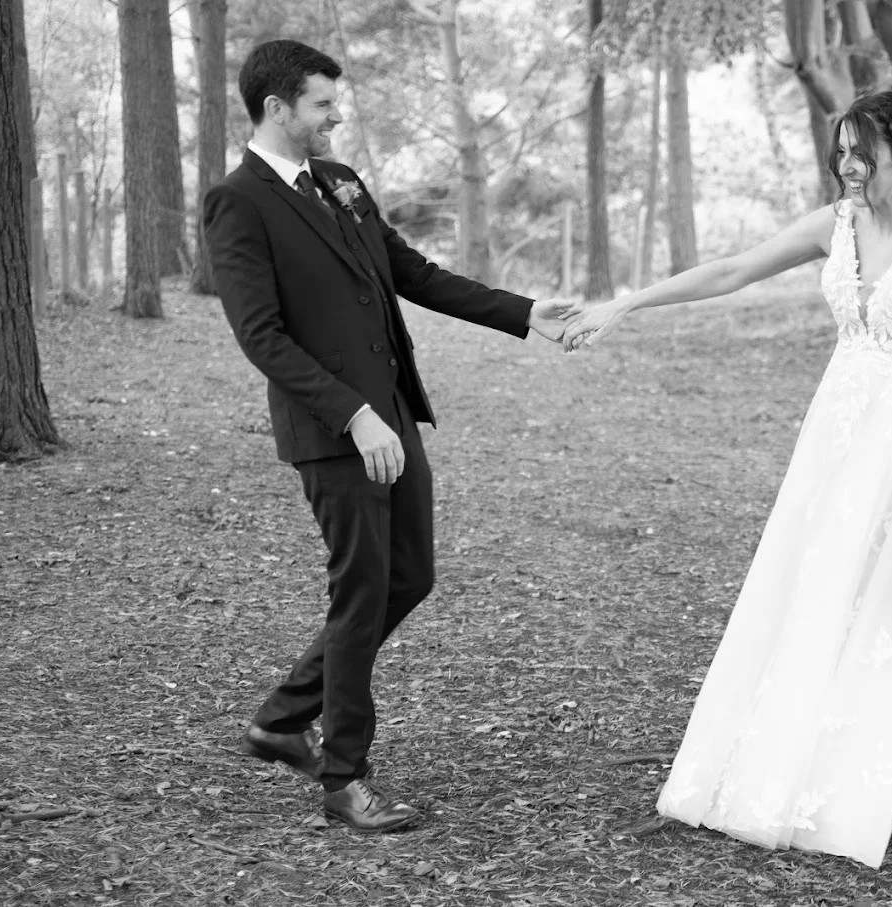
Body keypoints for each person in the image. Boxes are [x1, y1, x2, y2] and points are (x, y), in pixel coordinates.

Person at [561, 90, 892, 867]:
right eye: (842, 151)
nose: (849, 164)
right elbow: (731, 270)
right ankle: (791, 746)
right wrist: (627, 304)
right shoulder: (836, 225)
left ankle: (868, 761)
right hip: (836, 433)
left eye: (863, 150)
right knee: (817, 582)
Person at [203, 39, 569, 832]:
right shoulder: (239, 201)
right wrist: (353, 412)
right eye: (324, 105)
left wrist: (527, 314)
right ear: (277, 109)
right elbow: (261, 335)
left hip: (394, 416)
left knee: (410, 576)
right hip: (335, 431)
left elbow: (416, 274)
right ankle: (345, 778)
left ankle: (279, 720)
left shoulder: (341, 182)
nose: (339, 116)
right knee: (363, 590)